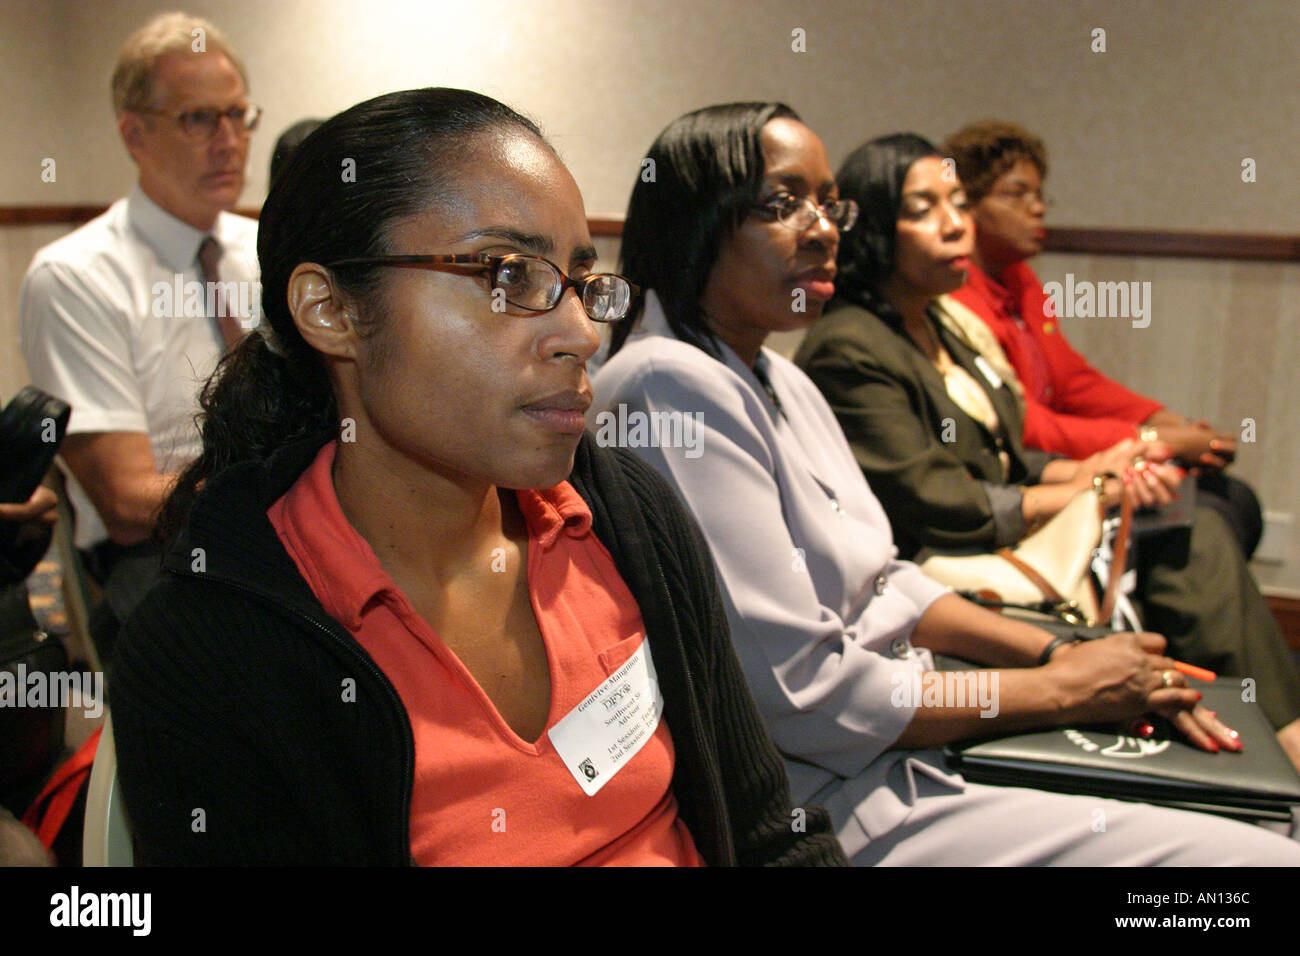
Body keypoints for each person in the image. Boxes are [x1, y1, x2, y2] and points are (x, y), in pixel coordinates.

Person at [109, 87, 845, 867]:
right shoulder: (216, 649)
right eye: (507, 276)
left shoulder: (627, 518)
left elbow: (768, 839)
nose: (582, 334)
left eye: (579, 280)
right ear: (331, 310)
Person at [591, 102, 1300, 865]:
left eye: (830, 204)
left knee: (1256, 804)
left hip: (917, 724)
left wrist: (1053, 652)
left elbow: (888, 579)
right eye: (782, 203)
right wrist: (1062, 690)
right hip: (841, 794)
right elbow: (806, 697)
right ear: (696, 221)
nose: (825, 228)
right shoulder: (669, 384)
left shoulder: (779, 376)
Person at [794, 132, 1300, 766]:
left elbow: (1008, 448)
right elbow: (944, 502)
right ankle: (1277, 739)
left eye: (957, 202)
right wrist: (1093, 488)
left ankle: (1255, 729)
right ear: (873, 231)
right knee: (1186, 528)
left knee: (1179, 507)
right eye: (924, 210)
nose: (957, 226)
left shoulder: (944, 321)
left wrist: (1100, 466)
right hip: (939, 558)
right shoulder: (851, 346)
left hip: (1001, 528)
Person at [18, 12, 260, 665]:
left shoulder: (263, 251)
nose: (230, 140)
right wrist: (278, 483)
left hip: (285, 519)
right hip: (160, 549)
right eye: (199, 119)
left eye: (239, 116)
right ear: (133, 133)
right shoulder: (74, 277)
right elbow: (126, 502)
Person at [943, 120, 1262, 558]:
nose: (1037, 208)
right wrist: (1152, 443)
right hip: (1028, 473)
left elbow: (1073, 381)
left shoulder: (1020, 278)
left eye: (1040, 195)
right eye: (1017, 194)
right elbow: (1024, 423)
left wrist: (1167, 422)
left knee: (1233, 497)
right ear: (967, 205)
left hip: (1068, 459)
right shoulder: (954, 294)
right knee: (1202, 517)